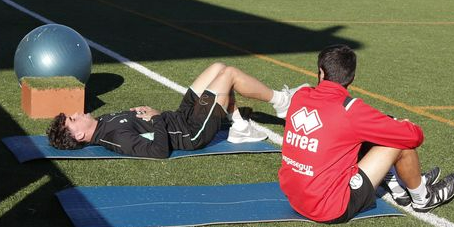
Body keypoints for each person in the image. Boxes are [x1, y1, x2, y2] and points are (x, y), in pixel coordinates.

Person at [278, 44, 454, 224]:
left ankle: (399, 187)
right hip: (329, 208)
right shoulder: (350, 110)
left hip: (294, 198)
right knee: (398, 138)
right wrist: (404, 124)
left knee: (368, 132)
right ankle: (422, 197)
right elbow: (414, 137)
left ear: (321, 72)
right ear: (352, 78)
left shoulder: (300, 95)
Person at [46, 62, 296, 158]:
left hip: (179, 117)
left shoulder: (102, 123)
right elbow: (158, 152)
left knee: (218, 68)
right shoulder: (114, 138)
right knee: (229, 74)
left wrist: (143, 115)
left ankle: (240, 127)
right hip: (192, 132)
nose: (76, 114)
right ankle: (282, 101)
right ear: (80, 135)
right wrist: (156, 118)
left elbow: (138, 124)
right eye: (72, 120)